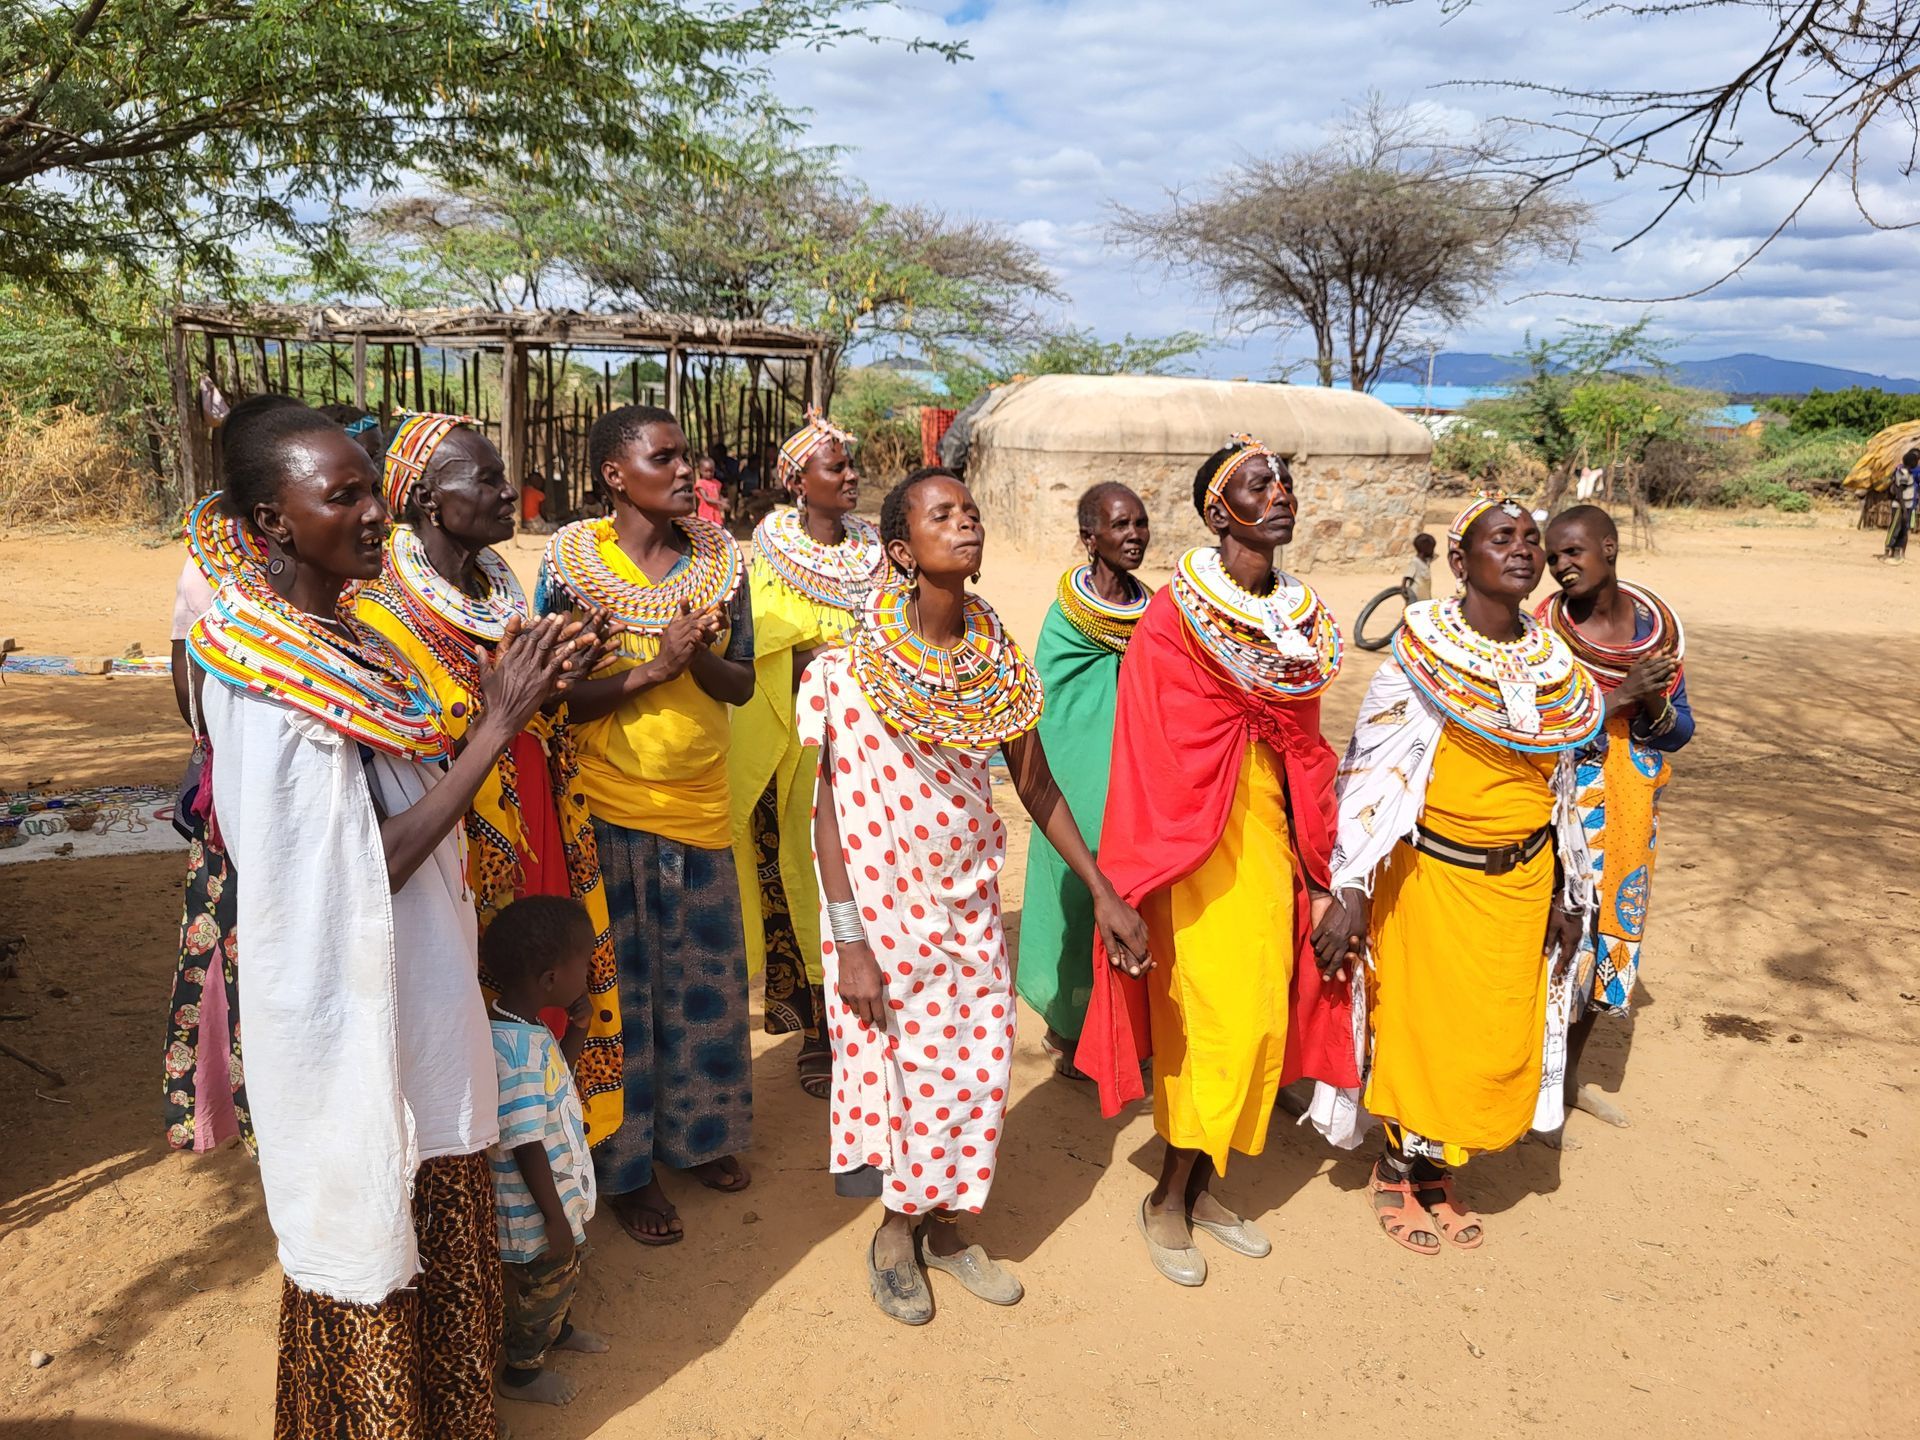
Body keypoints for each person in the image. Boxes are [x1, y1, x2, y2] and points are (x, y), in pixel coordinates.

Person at [188, 401, 588, 1436]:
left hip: (419, 993)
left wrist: (513, 701)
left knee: (436, 1213)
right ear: (273, 522)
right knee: (368, 1237)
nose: (375, 514)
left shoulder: (353, 635)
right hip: (347, 1020)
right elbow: (364, 865)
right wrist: (495, 727)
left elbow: (412, 776)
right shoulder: (268, 678)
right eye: (344, 496)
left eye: (372, 488)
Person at [800, 466, 1151, 1324]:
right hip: (879, 914)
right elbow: (828, 817)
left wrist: (1102, 890)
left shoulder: (997, 666)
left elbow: (1035, 784)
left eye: (973, 512)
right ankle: (895, 1232)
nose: (966, 526)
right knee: (906, 1073)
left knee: (980, 1067)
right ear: (899, 549)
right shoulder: (846, 670)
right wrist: (848, 943)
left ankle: (949, 1227)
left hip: (968, 904)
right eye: (941, 515)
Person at [1076, 437, 1353, 1287]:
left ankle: (1199, 1187)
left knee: (1265, 1015)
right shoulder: (1173, 615)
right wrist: (1143, 867)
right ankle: (1166, 1198)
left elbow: (1303, 745)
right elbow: (1153, 746)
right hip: (1194, 845)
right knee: (1219, 1026)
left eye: (1284, 483)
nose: (1279, 495)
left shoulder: (1300, 622)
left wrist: (1319, 865)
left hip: (1268, 840)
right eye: (1257, 485)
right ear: (1217, 511)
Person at [1311, 492, 1604, 1256]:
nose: (1523, 550)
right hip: (1434, 878)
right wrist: (1348, 886)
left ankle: (1440, 1172)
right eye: (1501, 538)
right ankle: (1396, 1170)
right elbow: (1372, 770)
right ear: (1459, 559)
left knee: (1491, 1032)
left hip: (1523, 881)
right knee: (1425, 1030)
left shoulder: (1553, 664)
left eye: (1531, 539)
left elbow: (1564, 785)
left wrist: (1570, 889)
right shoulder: (1421, 652)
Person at [356, 412, 625, 1153]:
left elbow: (522, 698)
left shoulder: (499, 591)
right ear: (426, 501)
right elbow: (412, 742)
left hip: (534, 811)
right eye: (488, 479)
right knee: (480, 1003)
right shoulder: (379, 610)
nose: (512, 492)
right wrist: (507, 698)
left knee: (545, 987)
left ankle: (551, 1156)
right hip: (459, 836)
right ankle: (496, 1171)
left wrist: (561, 667)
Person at [538, 403, 757, 1245]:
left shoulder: (719, 564)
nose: (684, 472)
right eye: (663, 458)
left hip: (697, 801)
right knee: (618, 993)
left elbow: (737, 687)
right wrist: (653, 668)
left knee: (702, 982)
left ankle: (699, 1140)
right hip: (607, 803)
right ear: (613, 475)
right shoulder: (569, 567)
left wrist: (692, 653)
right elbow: (554, 694)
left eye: (685, 457)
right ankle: (626, 1167)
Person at [161, 392, 304, 1155]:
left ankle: (212, 1103)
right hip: (247, 797)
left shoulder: (218, 564)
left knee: (220, 940)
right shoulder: (227, 575)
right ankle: (259, 1114)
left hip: (226, 784)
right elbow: (195, 682)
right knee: (252, 945)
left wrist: (206, 745)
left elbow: (183, 679)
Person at [728, 409, 886, 1099]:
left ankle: (874, 1016)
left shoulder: (877, 547)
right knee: (804, 870)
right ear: (799, 482)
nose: (851, 476)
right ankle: (820, 1029)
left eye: (851, 467)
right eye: (836, 467)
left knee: (872, 864)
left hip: (873, 733)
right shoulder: (768, 546)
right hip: (798, 738)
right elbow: (757, 635)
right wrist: (809, 658)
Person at [1537, 505, 1694, 1135]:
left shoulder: (1659, 633)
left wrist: (1652, 698)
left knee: (1608, 941)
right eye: (1553, 558)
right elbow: (1536, 727)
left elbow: (1681, 731)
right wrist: (1617, 699)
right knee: (1551, 941)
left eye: (1573, 552)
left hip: (1632, 810)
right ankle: (1530, 1082)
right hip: (1560, 807)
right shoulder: (1542, 633)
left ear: (1610, 547)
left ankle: (1567, 1080)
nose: (1560, 567)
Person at [1017, 481, 1152, 1082]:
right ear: (1089, 537)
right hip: (1075, 777)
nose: (1133, 536)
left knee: (1136, 895)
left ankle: (1120, 1031)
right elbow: (1053, 704)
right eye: (1120, 525)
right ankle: (1066, 1029)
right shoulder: (1065, 617)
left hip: (1136, 777)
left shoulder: (1156, 612)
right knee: (1076, 894)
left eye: (1140, 524)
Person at [483, 896, 609, 1410]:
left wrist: (576, 1030)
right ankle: (522, 1369)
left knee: (561, 1278)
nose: (592, 971)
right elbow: (525, 1142)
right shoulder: (510, 1048)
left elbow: (558, 1081)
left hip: (554, 1199)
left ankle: (556, 1331)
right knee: (541, 1287)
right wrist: (554, 1220)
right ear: (552, 979)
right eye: (585, 962)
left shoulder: (527, 1028)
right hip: (535, 1211)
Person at [1885, 448, 1919, 563]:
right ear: (1912, 462)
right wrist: (1904, 510)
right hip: (1901, 506)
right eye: (1916, 460)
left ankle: (1897, 554)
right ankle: (1889, 551)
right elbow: (1899, 492)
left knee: (1903, 529)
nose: (1918, 462)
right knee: (1896, 529)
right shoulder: (1904, 474)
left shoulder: (1907, 472)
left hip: (1908, 505)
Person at [1402, 530, 1436, 602]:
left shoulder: (1426, 561)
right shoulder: (1415, 562)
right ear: (1425, 550)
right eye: (1432, 549)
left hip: (1425, 596)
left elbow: (1435, 556)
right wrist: (1404, 589)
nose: (1433, 551)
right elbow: (1407, 576)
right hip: (1415, 597)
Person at [694, 455, 728, 527]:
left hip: (716, 511)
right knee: (706, 529)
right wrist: (720, 502)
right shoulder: (700, 483)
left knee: (717, 528)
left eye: (711, 471)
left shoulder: (716, 483)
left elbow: (718, 494)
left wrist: (723, 500)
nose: (709, 473)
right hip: (705, 511)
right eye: (706, 471)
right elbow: (706, 498)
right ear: (700, 470)